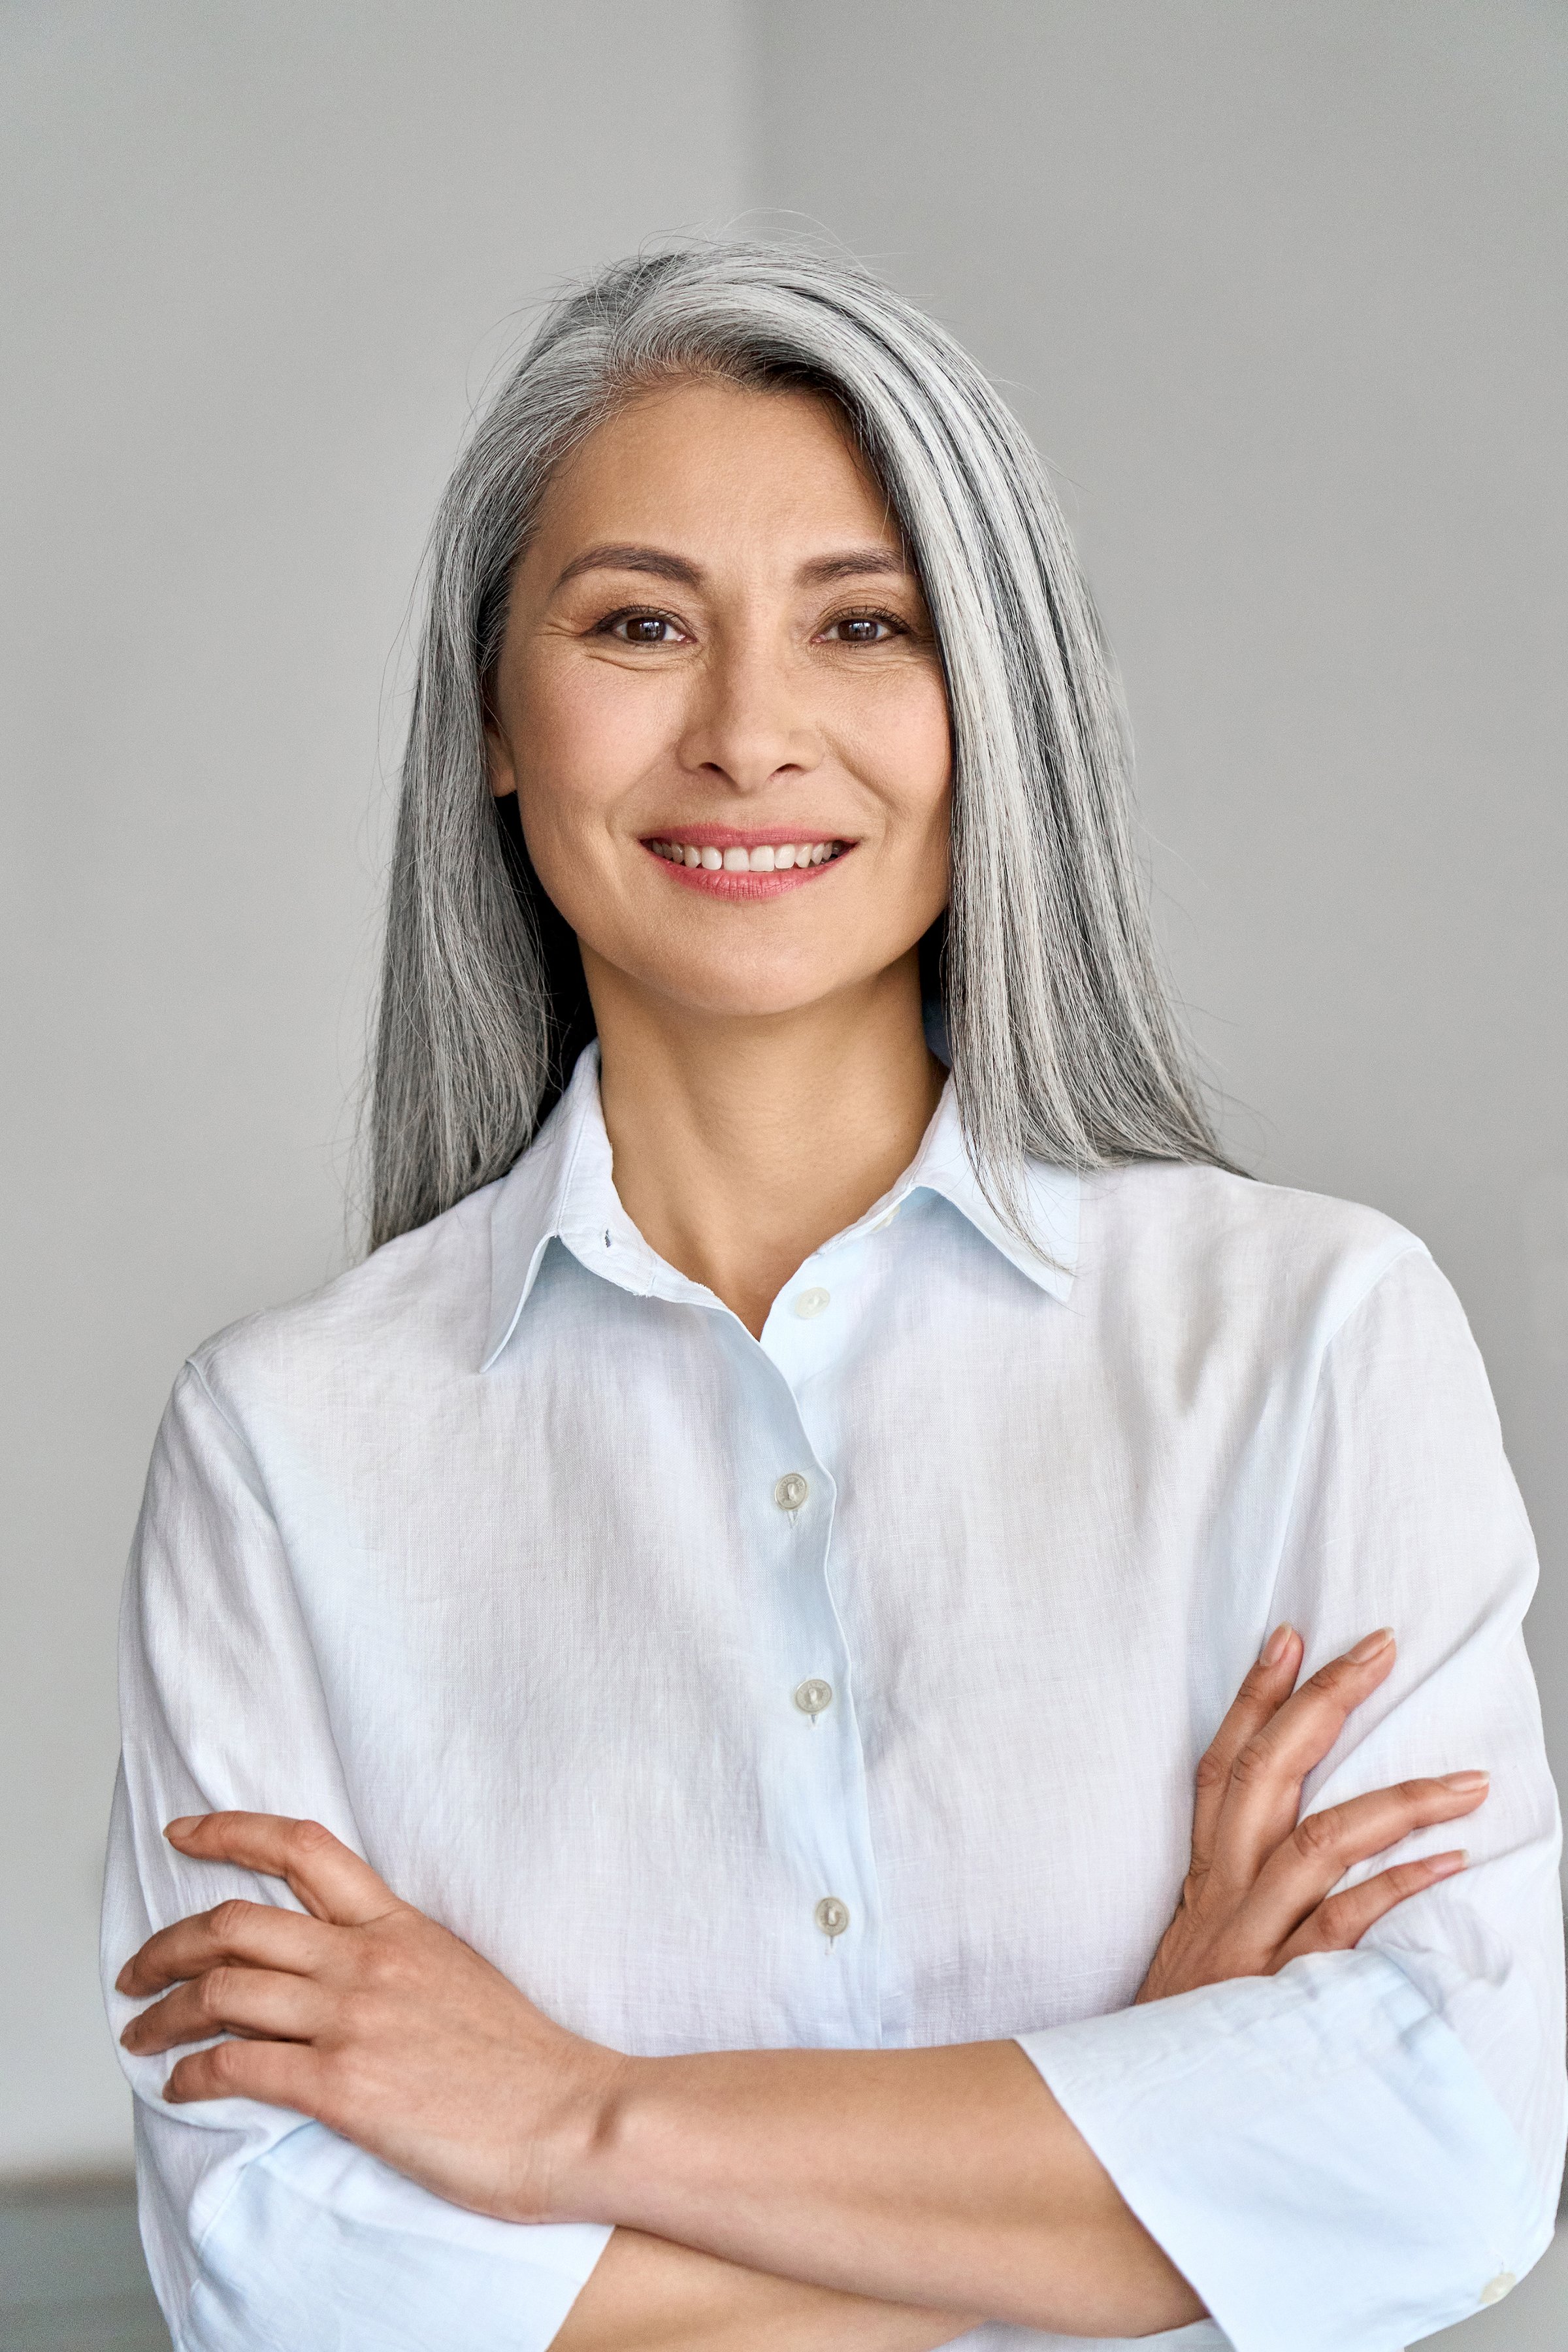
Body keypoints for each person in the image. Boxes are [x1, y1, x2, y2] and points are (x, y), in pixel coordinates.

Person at [102, 244, 1563, 2352]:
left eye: (864, 625)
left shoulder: (1315, 1339)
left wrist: (572, 2119)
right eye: (638, 626)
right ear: (496, 719)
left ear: (991, 710)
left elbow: (1443, 2161)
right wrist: (1137, 2136)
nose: (748, 734)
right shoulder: (283, 1447)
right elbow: (292, 2282)